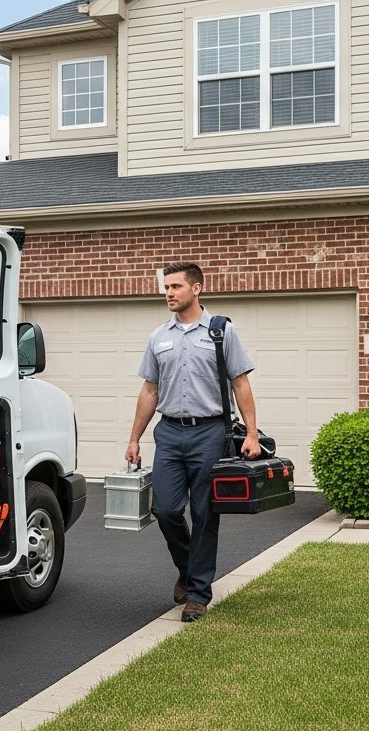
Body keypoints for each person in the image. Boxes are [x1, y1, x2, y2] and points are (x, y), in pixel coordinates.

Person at [125, 262, 260, 622]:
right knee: (165, 509)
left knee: (204, 514)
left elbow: (241, 383)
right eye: (166, 286)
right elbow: (149, 390)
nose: (168, 292)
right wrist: (134, 438)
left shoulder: (221, 332)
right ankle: (187, 569)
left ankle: (198, 592)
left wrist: (250, 433)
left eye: (176, 286)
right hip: (169, 432)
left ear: (197, 288)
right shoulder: (159, 337)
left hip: (210, 432)